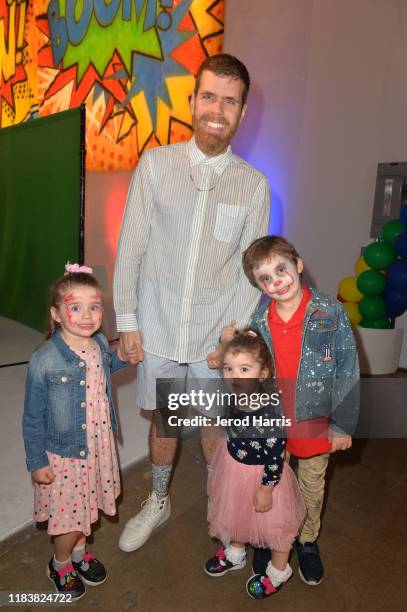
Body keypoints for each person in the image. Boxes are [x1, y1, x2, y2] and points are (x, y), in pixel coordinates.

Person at [113, 53, 270, 553]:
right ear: (193, 100)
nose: (217, 109)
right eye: (209, 96)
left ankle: (222, 507)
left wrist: (232, 336)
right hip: (158, 327)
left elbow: (251, 273)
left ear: (242, 111)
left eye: (230, 100)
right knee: (164, 422)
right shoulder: (156, 165)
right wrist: (129, 320)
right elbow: (131, 245)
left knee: (211, 427)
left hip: (212, 337)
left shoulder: (254, 185)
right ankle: (158, 500)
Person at [237, 235, 360, 587]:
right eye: (265, 278)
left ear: (298, 264)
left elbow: (347, 368)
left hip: (315, 422)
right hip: (273, 422)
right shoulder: (259, 318)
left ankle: (306, 541)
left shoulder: (329, 311)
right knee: (272, 482)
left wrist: (342, 423)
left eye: (281, 269)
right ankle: (271, 537)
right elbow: (250, 367)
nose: (275, 281)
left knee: (310, 486)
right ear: (258, 285)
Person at [22, 264, 127, 600]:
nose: (87, 315)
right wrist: (37, 460)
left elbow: (105, 367)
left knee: (86, 506)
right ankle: (61, 561)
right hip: (65, 454)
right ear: (56, 313)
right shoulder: (45, 360)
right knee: (69, 518)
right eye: (75, 307)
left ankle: (80, 554)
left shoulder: (96, 341)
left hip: (96, 445)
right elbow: (32, 416)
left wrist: (122, 356)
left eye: (94, 307)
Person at [204, 330, 306, 600]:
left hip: (264, 477)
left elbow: (275, 453)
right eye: (229, 368)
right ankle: (235, 553)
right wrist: (224, 343)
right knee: (237, 513)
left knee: (275, 527)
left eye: (244, 369)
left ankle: (278, 572)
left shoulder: (270, 410)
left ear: (262, 374)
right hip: (234, 469)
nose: (234, 375)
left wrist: (266, 487)